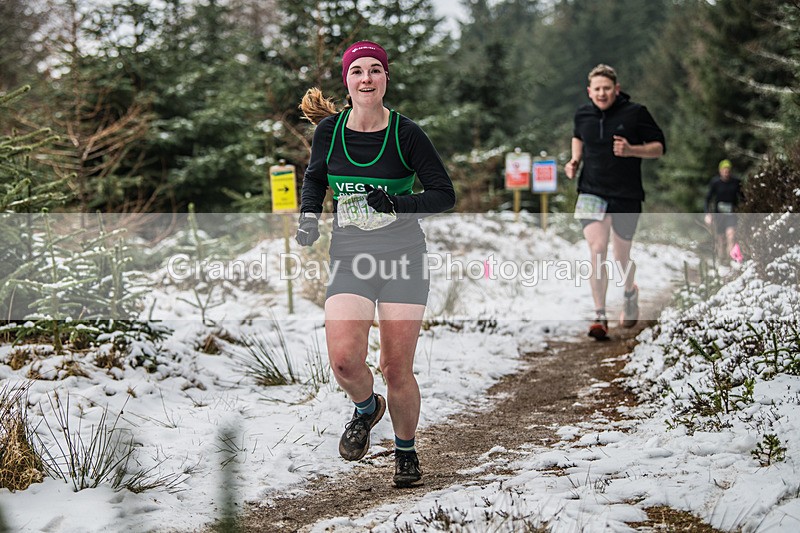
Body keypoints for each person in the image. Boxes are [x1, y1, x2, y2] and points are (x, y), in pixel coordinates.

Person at [295, 41, 455, 488]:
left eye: (375, 71)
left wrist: (397, 203)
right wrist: (309, 216)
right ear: (347, 82)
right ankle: (367, 408)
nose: (366, 78)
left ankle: (405, 453)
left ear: (385, 79)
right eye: (357, 71)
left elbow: (444, 194)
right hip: (351, 258)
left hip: (404, 260)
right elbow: (315, 177)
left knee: (395, 367)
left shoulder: (407, 133)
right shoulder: (330, 131)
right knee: (345, 361)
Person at [564, 64, 666, 340]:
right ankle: (600, 315)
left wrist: (632, 149)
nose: (602, 93)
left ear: (616, 89)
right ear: (589, 91)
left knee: (621, 256)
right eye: (596, 89)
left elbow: (659, 147)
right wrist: (575, 161)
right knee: (597, 250)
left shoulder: (635, 113)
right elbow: (578, 136)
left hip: (625, 194)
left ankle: (630, 291)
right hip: (591, 192)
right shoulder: (583, 114)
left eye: (606, 88)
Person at [704, 159, 743, 263]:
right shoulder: (715, 183)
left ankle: (731, 259)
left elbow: (743, 198)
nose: (726, 173)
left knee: (731, 235)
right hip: (719, 215)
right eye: (724, 170)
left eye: (728, 170)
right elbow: (708, 199)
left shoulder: (736, 182)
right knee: (720, 237)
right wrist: (707, 214)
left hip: (731, 214)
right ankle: (721, 259)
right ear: (720, 171)